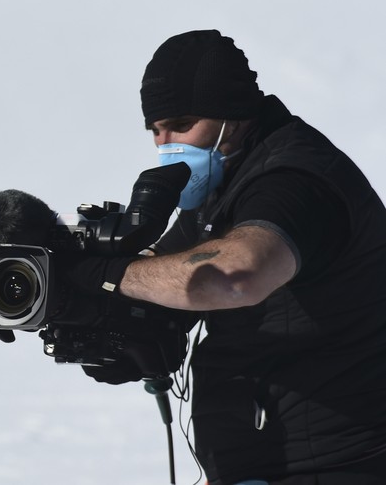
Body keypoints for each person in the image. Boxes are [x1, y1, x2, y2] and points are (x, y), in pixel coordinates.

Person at [58, 30, 386, 483]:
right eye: (156, 130)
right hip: (262, 461)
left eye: (182, 123)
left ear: (233, 115)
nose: (166, 143)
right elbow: (164, 271)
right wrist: (97, 313)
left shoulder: (293, 181)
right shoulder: (225, 181)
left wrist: (110, 275)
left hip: (334, 464)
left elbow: (235, 275)